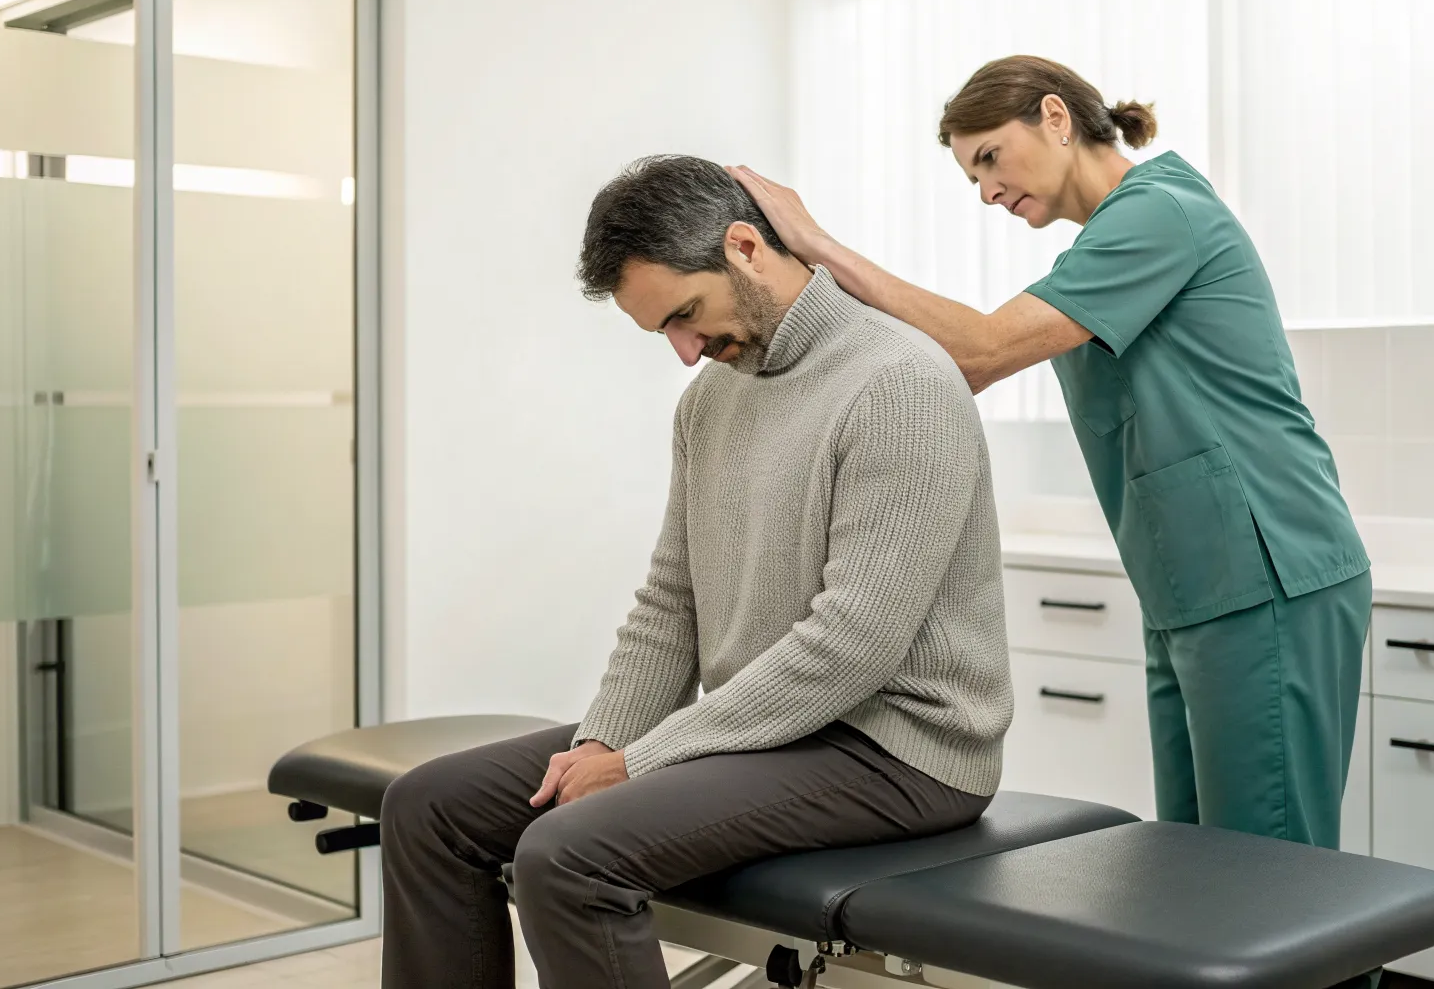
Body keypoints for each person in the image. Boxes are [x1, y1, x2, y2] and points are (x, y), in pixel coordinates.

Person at [378, 155, 1012, 989]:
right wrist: (608, 735)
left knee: (570, 857)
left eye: (687, 315)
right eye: (664, 334)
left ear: (745, 247)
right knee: (429, 807)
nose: (686, 352)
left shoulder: (898, 383)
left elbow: (850, 645)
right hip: (771, 734)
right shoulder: (712, 399)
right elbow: (671, 599)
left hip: (898, 752)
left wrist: (639, 764)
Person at [731, 55, 1372, 852]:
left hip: (1268, 570)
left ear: (1057, 118)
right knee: (1206, 868)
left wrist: (817, 243)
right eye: (972, 179)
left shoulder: (1159, 215)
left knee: (1274, 870)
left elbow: (979, 353)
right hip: (1193, 585)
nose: (988, 193)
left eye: (990, 158)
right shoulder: (1106, 243)